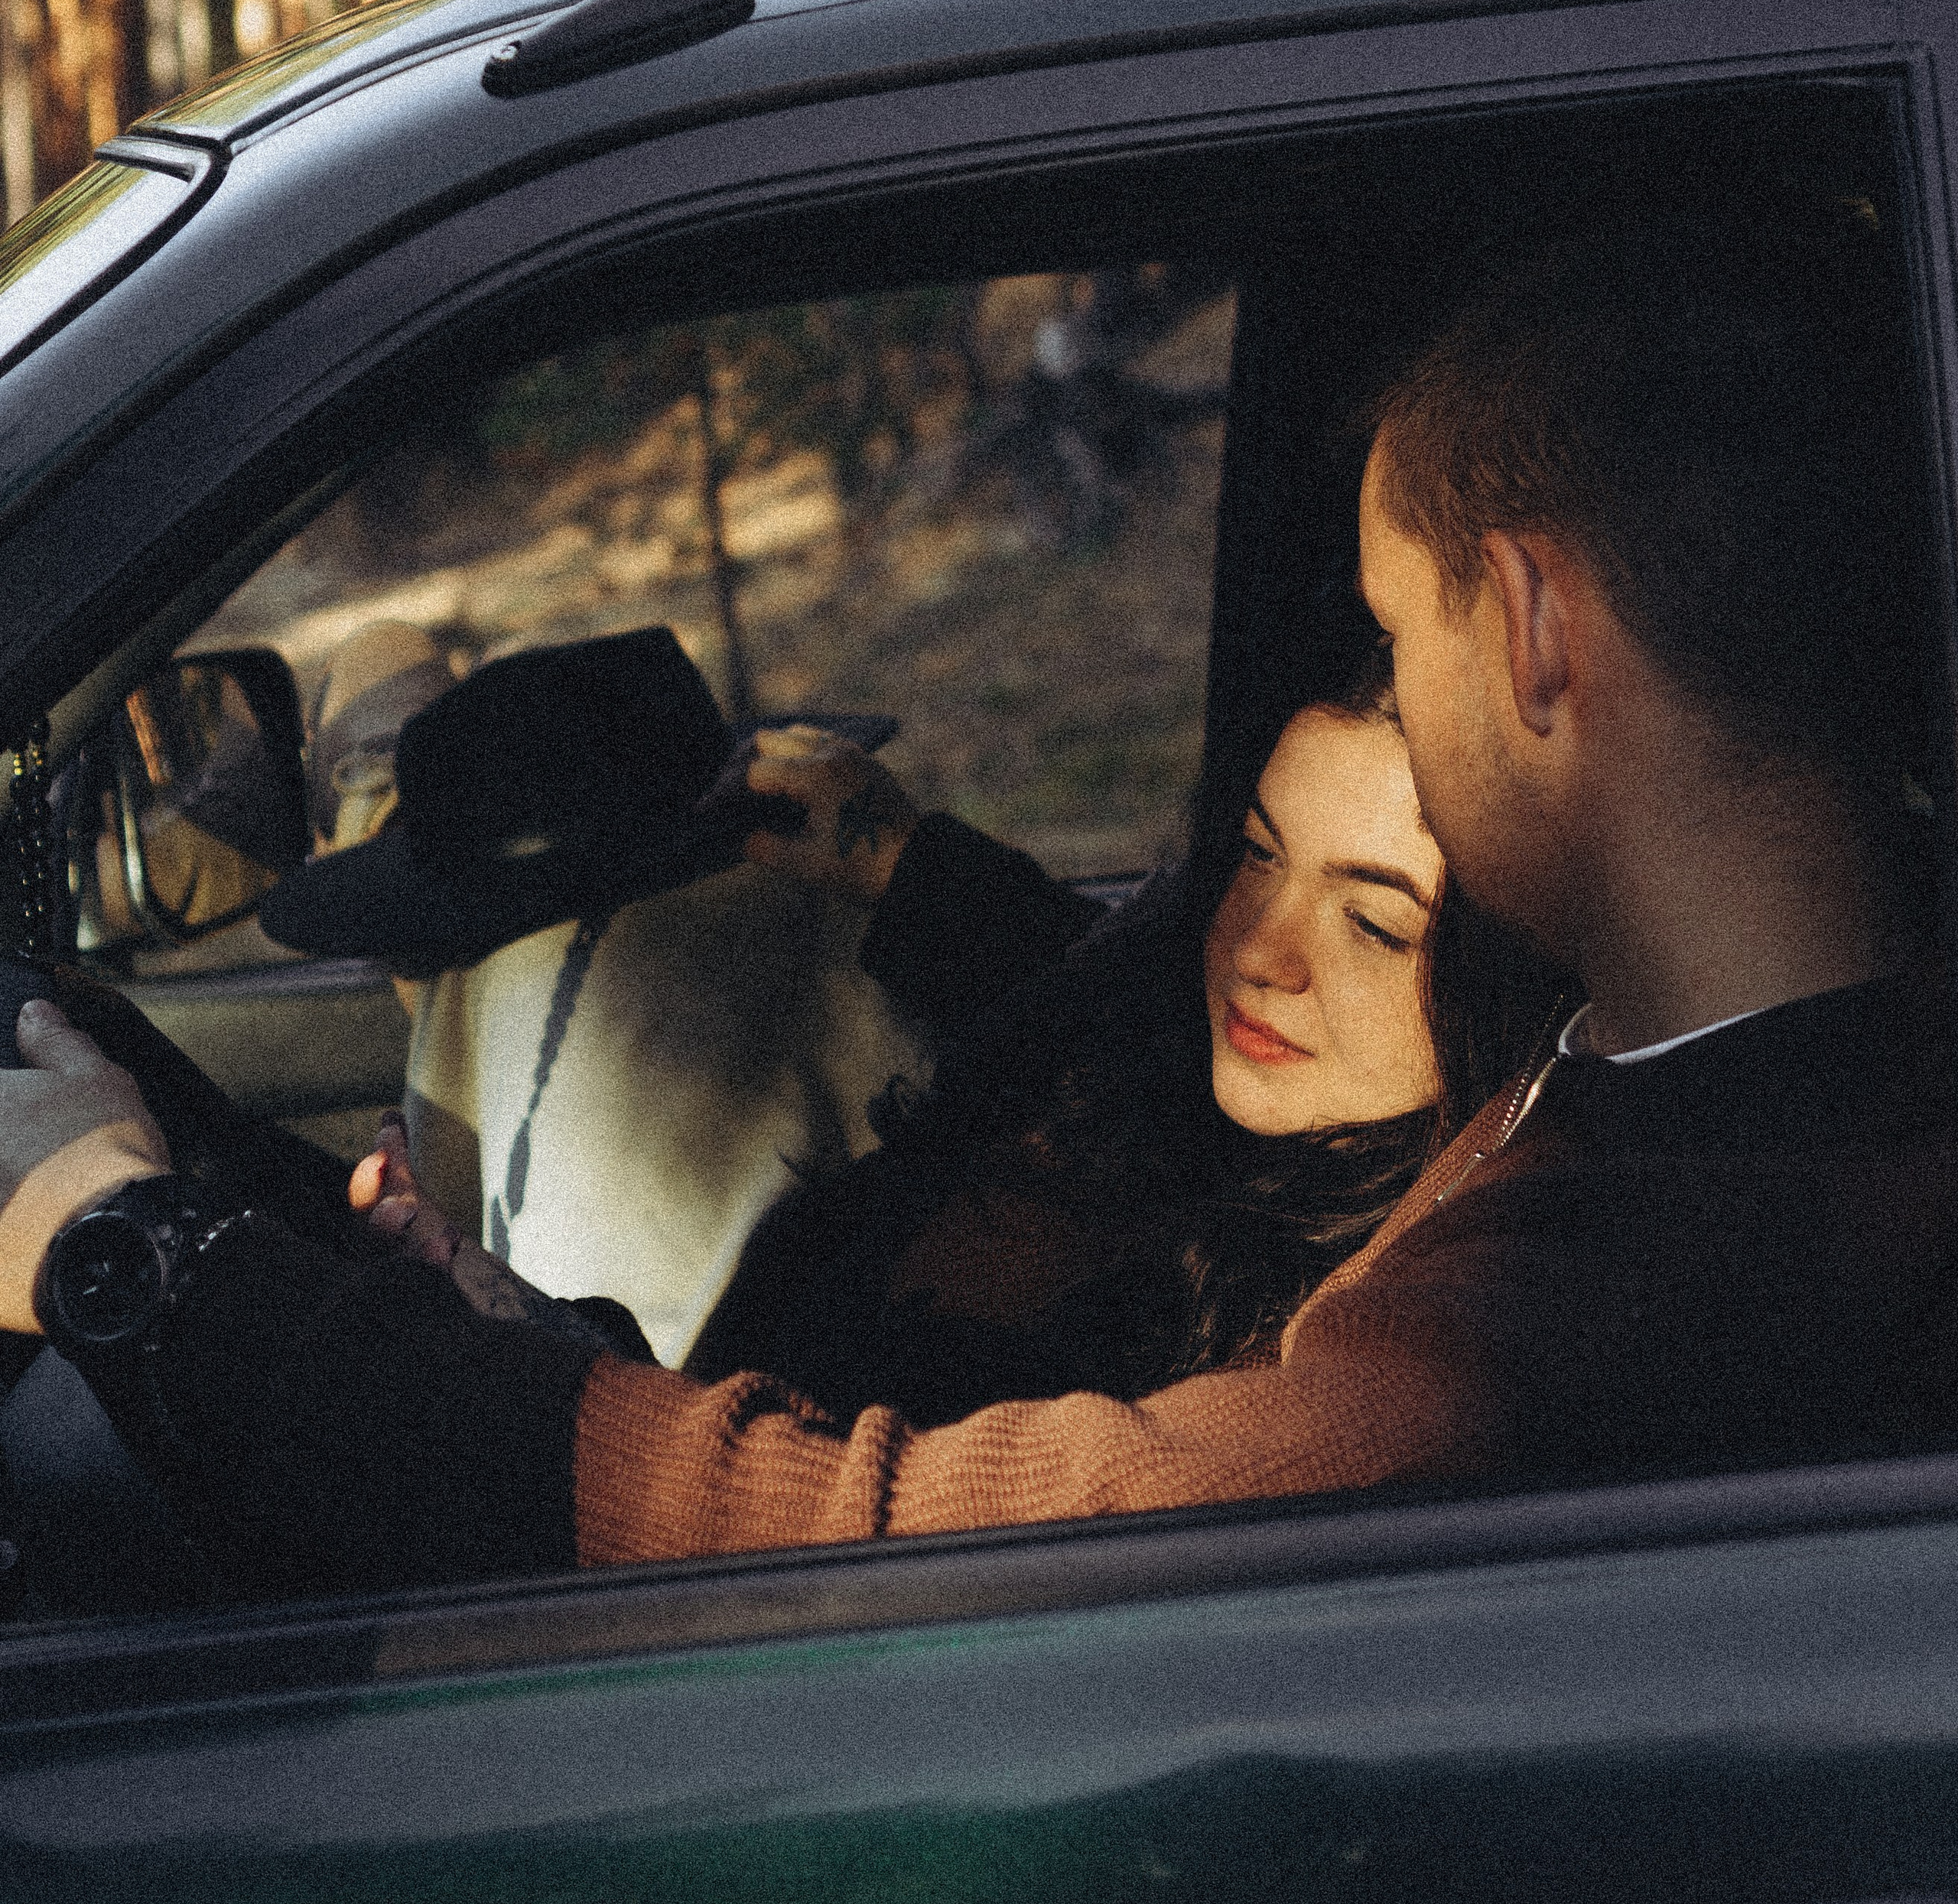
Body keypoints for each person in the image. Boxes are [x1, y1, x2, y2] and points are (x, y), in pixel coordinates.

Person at [2, 196, 1954, 1594]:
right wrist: (516, 1353)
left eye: (1390, 626)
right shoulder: (1667, 1086)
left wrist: (151, 1269)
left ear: (1530, 625)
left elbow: (924, 1545)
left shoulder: (1640, 1273)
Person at [694, 659, 1560, 1422]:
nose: (1258, 952)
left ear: (1512, 982)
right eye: (1260, 855)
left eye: (1373, 926)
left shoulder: (1362, 1338)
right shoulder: (1156, 1046)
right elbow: (1096, 961)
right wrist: (904, 860)